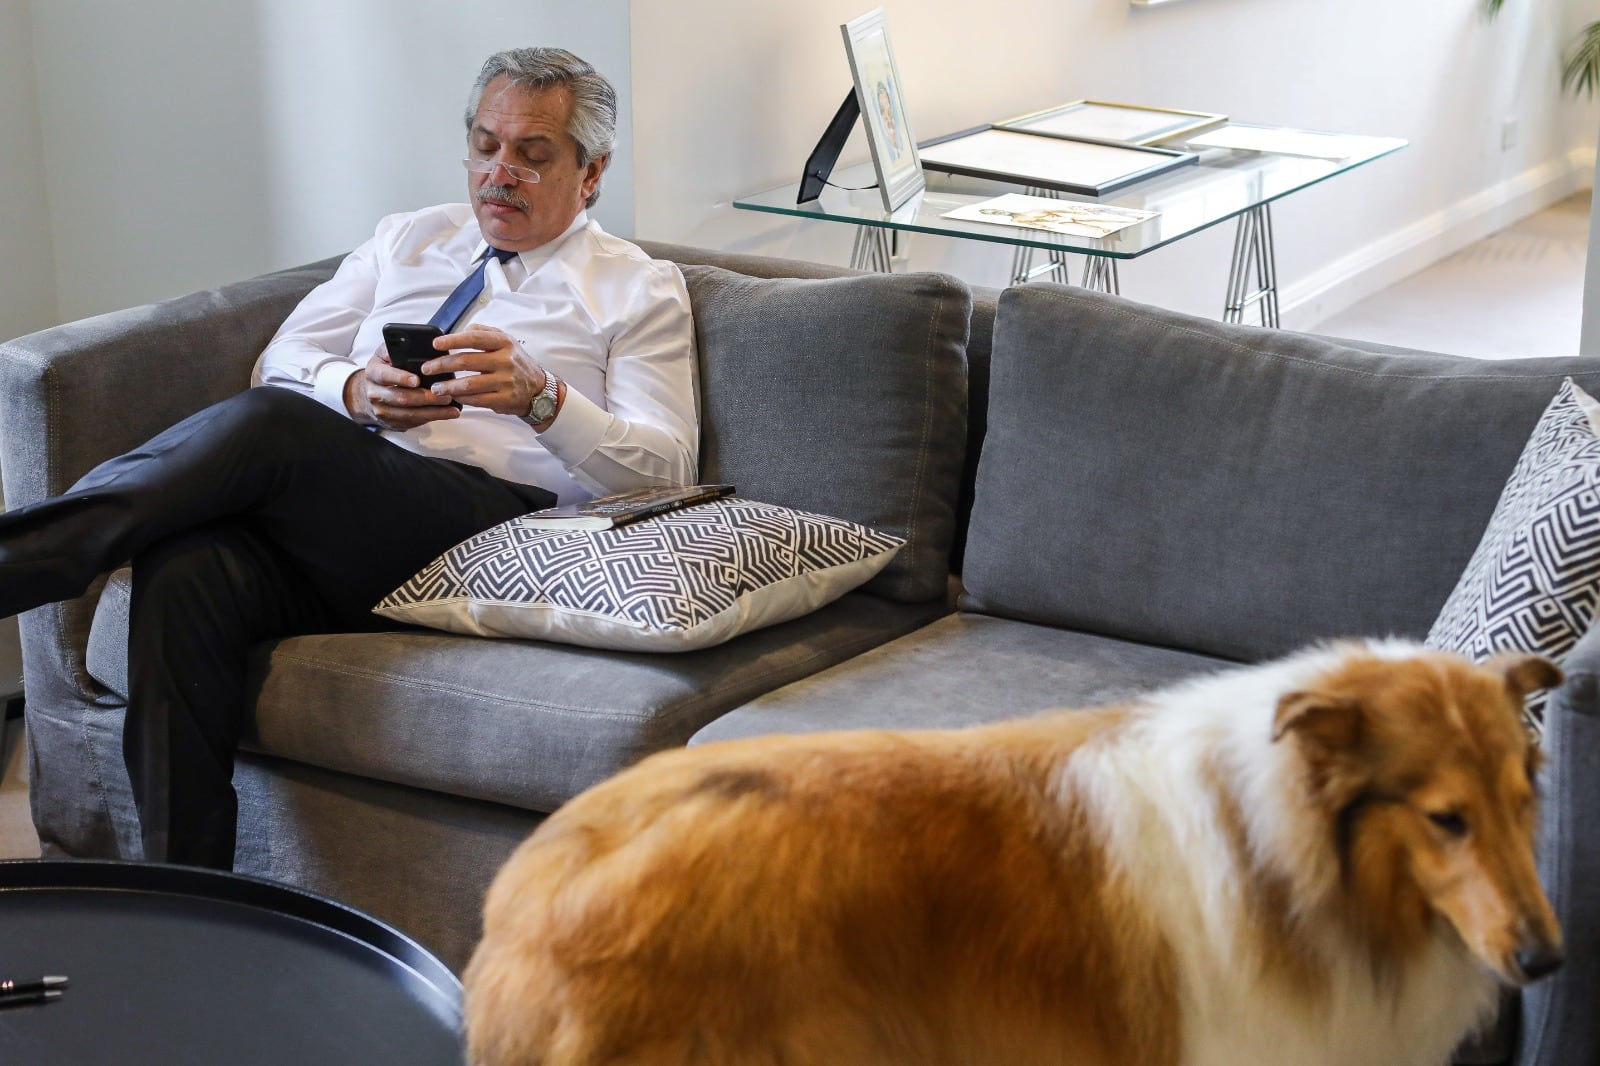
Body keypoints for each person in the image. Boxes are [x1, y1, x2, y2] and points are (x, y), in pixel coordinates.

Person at [0, 47, 697, 870]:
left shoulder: (637, 286)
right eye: (484, 146)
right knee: (184, 570)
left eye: (532, 155)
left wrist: (542, 399)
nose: (498, 173)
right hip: (346, 518)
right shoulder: (410, 238)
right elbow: (283, 360)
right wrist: (356, 391)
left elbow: (668, 472)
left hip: (491, 522)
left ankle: (26, 559)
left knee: (273, 427)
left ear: (592, 172)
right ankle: (187, 898)